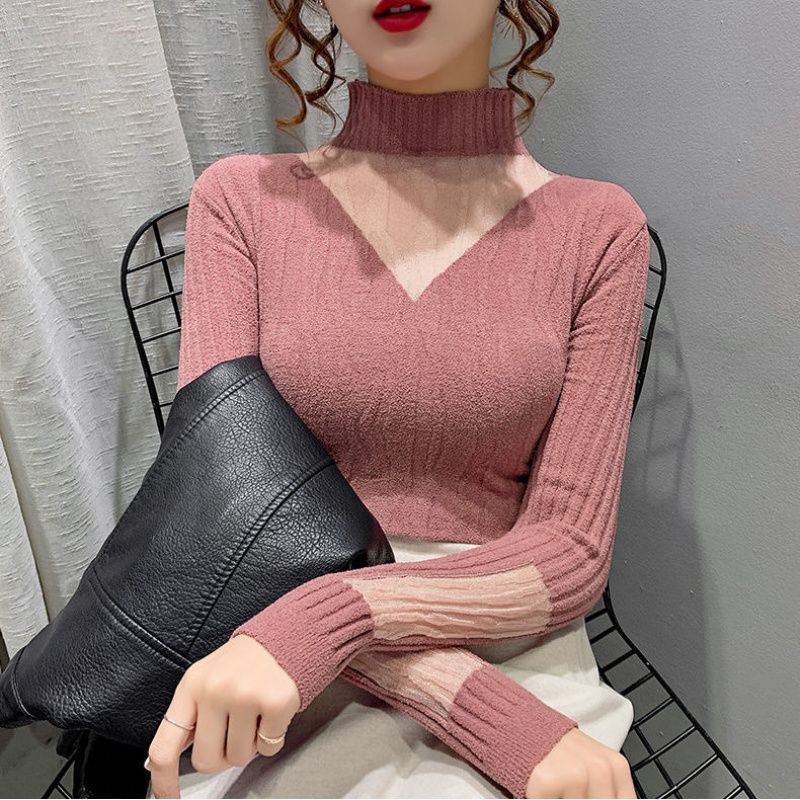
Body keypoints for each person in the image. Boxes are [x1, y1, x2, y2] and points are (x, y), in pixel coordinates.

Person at [144, 0, 651, 797]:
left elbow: (571, 548)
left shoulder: (598, 229)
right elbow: (222, 514)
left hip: (503, 627)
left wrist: (335, 620)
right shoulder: (242, 203)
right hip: (264, 640)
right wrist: (475, 708)